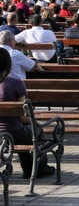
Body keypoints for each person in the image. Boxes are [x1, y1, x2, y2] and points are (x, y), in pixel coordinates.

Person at [0, 47, 57, 179]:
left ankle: (29, 168)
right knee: (35, 131)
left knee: (27, 133)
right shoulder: (15, 84)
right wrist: (36, 123)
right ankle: (39, 168)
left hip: (5, 134)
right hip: (12, 131)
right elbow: (23, 117)